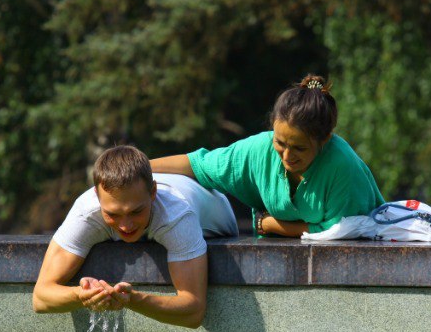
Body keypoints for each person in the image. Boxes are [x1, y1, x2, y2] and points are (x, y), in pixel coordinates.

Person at [151, 74, 384, 237]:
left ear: (325, 139)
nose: (287, 156)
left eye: (300, 148)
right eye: (280, 143)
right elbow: (198, 165)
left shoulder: (342, 166)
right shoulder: (259, 149)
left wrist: (269, 224)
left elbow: (337, 232)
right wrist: (137, 168)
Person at [33, 145, 237, 329]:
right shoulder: (86, 212)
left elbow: (193, 313)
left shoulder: (177, 217)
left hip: (216, 215)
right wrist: (82, 296)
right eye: (112, 214)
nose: (125, 225)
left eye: (136, 211)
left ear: (153, 192)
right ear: (97, 196)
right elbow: (40, 298)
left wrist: (132, 300)